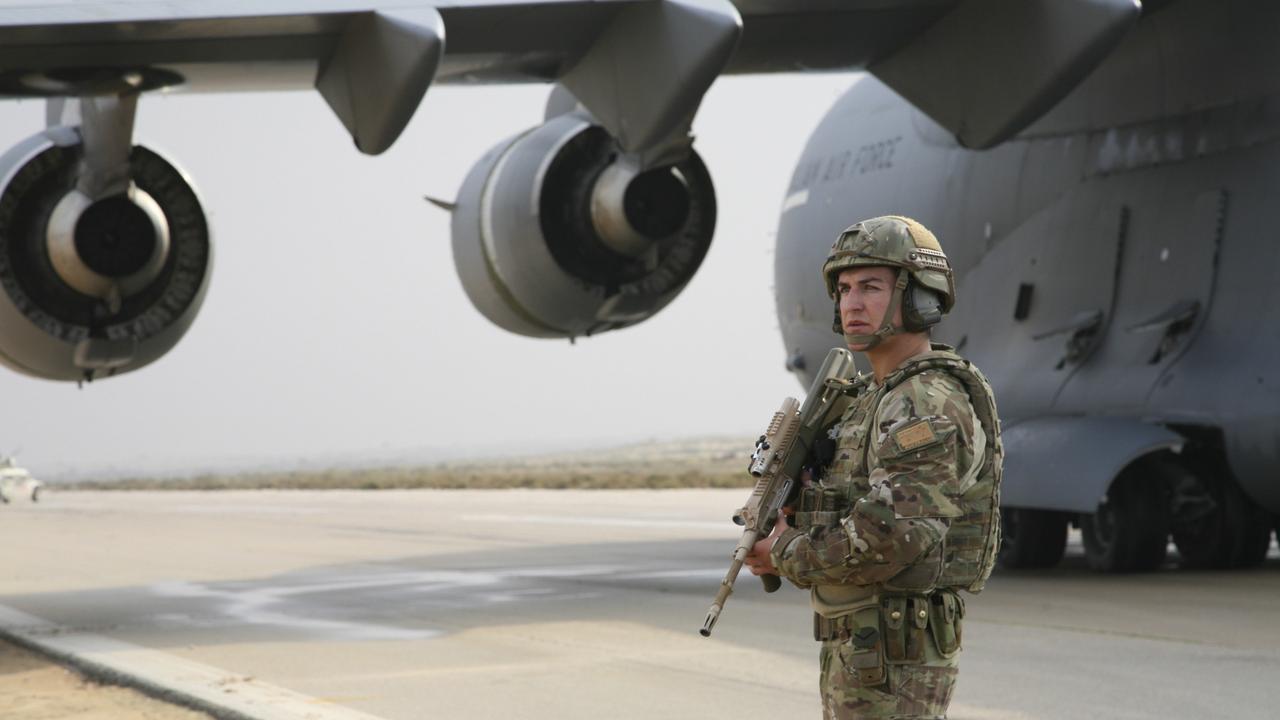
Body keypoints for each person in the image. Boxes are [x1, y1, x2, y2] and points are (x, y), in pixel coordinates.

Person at [745, 216, 1002, 719]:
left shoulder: (926, 401)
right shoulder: (871, 398)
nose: (852, 303)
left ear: (918, 297)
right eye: (844, 289)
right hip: (864, 643)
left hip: (896, 654)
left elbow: (893, 535)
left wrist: (787, 553)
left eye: (871, 287)